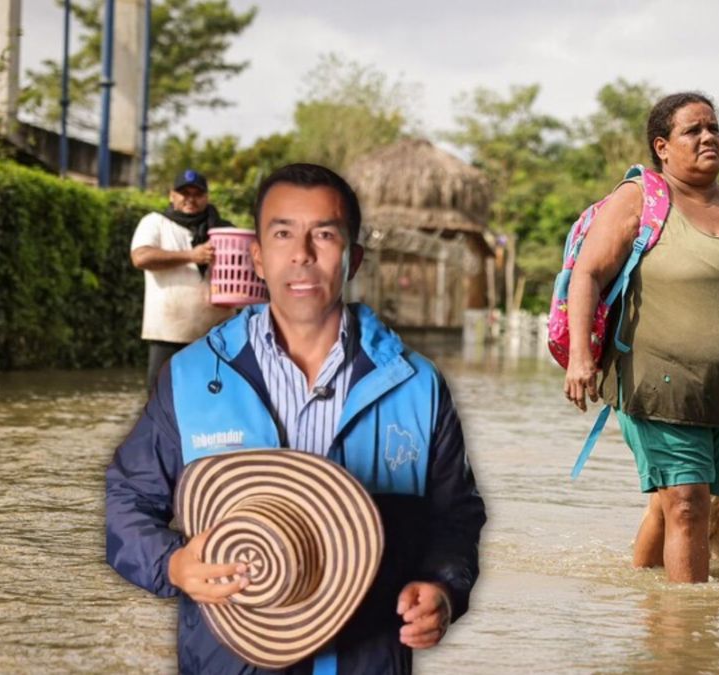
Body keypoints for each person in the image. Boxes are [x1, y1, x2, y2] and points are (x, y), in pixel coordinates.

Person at [107, 163, 487, 673]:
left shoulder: (417, 386)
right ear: (258, 258)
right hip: (227, 661)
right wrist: (172, 563)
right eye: (283, 233)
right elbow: (128, 499)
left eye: (324, 235)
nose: (302, 255)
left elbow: (455, 516)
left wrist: (443, 586)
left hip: (365, 658)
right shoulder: (192, 376)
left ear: (354, 259)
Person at [563, 92, 719, 583]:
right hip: (659, 382)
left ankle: (641, 593)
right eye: (693, 130)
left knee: (691, 504)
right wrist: (580, 358)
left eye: (713, 127)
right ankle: (688, 635)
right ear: (663, 146)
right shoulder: (639, 201)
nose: (708, 136)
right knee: (688, 506)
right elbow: (587, 274)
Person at [130, 169, 234, 392]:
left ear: (206, 197)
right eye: (183, 193)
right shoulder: (155, 223)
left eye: (197, 194)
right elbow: (141, 257)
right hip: (169, 331)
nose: (190, 199)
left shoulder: (225, 230)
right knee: (162, 400)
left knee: (214, 401)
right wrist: (191, 256)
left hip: (217, 333)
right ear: (172, 195)